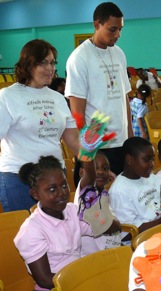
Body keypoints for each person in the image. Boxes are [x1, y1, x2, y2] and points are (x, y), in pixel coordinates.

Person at [14, 155, 120, 291]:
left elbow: (104, 228)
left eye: (63, 185)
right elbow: (43, 278)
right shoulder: (32, 229)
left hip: (78, 278)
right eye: (52, 189)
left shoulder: (71, 210)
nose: (62, 192)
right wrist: (78, 284)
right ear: (36, 194)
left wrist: (101, 215)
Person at [0, 39, 80, 212]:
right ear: (29, 65)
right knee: (24, 235)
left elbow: (73, 139)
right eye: (43, 63)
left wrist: (93, 161)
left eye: (52, 63)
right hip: (17, 179)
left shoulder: (58, 98)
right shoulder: (7, 96)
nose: (50, 68)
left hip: (53, 178)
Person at [66, 2, 131, 175]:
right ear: (97, 25)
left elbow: (125, 99)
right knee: (95, 200)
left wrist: (130, 139)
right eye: (113, 29)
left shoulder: (119, 54)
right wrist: (90, 153)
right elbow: (77, 113)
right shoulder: (79, 58)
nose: (118, 34)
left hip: (121, 143)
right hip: (98, 147)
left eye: (120, 29)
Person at [109, 137, 161, 232]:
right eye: (147, 160)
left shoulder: (152, 178)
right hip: (143, 239)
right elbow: (130, 232)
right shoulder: (119, 191)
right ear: (130, 160)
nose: (152, 164)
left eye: (153, 159)